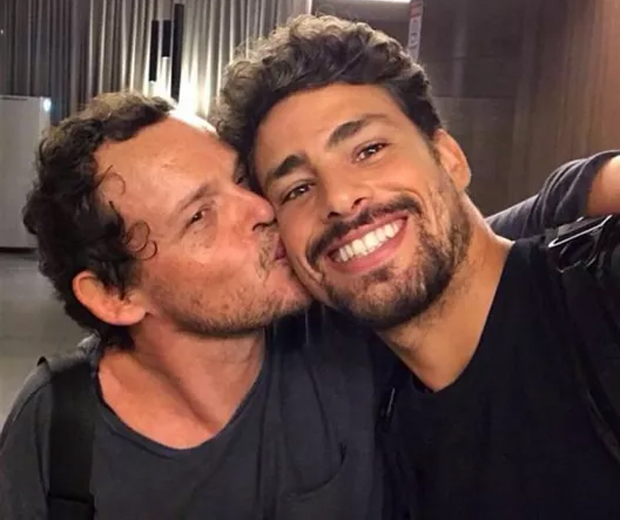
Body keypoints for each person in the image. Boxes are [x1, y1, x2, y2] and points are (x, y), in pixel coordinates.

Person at [0, 98, 614, 518]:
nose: (261, 209)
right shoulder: (59, 431)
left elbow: (450, 246)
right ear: (114, 296)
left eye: (242, 180)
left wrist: (582, 186)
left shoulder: (340, 328)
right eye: (200, 216)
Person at [213, 14, 620, 519]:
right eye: (297, 189)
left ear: (449, 159)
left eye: (369, 150)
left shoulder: (597, 301)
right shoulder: (363, 420)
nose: (338, 199)